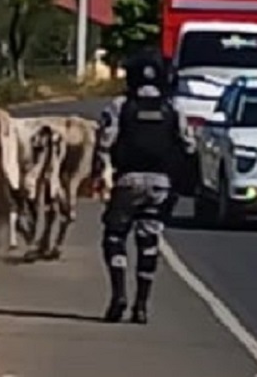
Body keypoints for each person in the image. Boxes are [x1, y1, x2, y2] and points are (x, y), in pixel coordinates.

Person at [92, 47, 196, 324]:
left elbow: (104, 142)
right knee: (148, 241)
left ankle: (118, 295)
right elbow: (189, 144)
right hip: (161, 184)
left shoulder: (120, 106)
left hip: (127, 181)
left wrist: (101, 175)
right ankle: (141, 305)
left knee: (115, 236)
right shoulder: (173, 107)